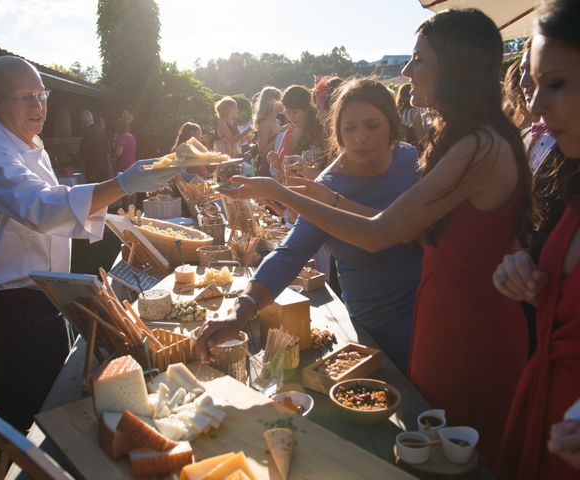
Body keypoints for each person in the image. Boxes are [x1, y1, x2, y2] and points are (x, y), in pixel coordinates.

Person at [205, 9, 532, 466]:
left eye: (418, 59)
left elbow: (385, 231)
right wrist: (243, 308)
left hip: (464, 325)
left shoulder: (470, 147)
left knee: (463, 455)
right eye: (348, 128)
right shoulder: (464, 144)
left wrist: (285, 193)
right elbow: (305, 247)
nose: (406, 71)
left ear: (455, 66)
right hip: (437, 320)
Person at [0, 56, 178, 431]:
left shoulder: (31, 144)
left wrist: (115, 210)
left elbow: (56, 199)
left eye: (41, 95)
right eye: (24, 97)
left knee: (53, 397)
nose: (37, 106)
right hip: (14, 303)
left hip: (45, 293)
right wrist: (121, 184)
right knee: (34, 412)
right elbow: (41, 208)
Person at [198, 78, 421, 371]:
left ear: (391, 125)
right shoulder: (328, 184)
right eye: (348, 128)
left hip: (432, 309)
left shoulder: (414, 162)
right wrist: (242, 309)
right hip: (375, 324)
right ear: (336, 133)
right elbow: (290, 252)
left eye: (372, 125)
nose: (359, 138)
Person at [492, 1, 580, 478]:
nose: (537, 105)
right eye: (535, 82)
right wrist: (518, 265)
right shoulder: (574, 180)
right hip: (547, 412)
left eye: (557, 83)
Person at [268, 85, 324, 180]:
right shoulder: (289, 131)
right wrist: (273, 159)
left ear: (306, 109)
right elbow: (280, 166)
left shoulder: (318, 132)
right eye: (288, 112)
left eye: (295, 112)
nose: (291, 117)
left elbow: (323, 174)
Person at [252, 86, 282, 176]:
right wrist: (279, 136)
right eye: (279, 100)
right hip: (267, 169)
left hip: (277, 166)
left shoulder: (277, 121)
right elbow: (262, 152)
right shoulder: (264, 123)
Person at [79, 110, 110, 183]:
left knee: (94, 191)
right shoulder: (101, 131)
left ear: (83, 121)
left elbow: (83, 152)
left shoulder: (87, 133)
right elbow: (107, 149)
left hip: (92, 169)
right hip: (104, 167)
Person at [113, 116, 138, 209]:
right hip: (133, 163)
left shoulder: (121, 138)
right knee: (133, 188)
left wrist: (113, 152)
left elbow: (119, 153)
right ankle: (133, 210)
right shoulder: (132, 136)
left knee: (126, 188)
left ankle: (126, 210)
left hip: (124, 165)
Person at [396, 83, 426, 147]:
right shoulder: (415, 112)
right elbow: (420, 135)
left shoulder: (398, 113)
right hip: (414, 147)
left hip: (402, 146)